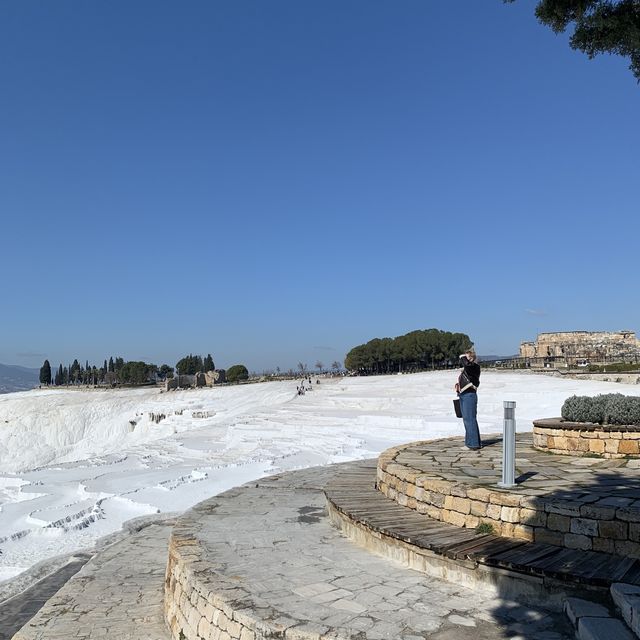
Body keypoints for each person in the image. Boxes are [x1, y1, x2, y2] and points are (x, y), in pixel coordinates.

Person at [455, 348, 481, 450]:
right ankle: (470, 442)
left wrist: (462, 357)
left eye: (467, 357)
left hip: (469, 395)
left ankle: (473, 444)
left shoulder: (474, 367)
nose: (465, 359)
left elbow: (467, 364)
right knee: (467, 419)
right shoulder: (469, 368)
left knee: (470, 419)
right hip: (464, 395)